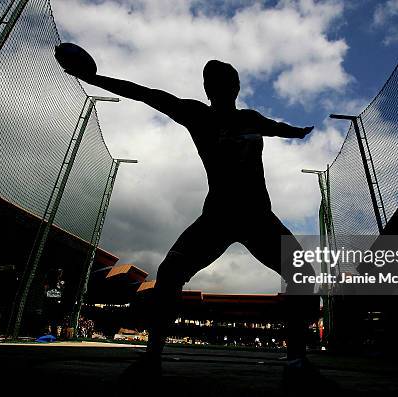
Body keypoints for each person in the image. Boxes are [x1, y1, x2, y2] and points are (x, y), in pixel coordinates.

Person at [61, 55, 320, 382]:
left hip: (258, 217)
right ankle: (151, 356)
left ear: (236, 87)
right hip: (218, 217)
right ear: (206, 88)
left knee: (303, 273)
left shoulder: (251, 119)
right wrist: (94, 78)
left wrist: (298, 132)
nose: (220, 87)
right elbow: (145, 92)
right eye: (213, 82)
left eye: (226, 81)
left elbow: (277, 128)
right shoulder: (196, 113)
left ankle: (297, 362)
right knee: (169, 272)